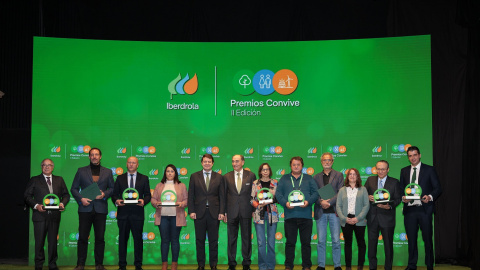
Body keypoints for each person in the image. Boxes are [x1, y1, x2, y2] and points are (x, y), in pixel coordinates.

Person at [71, 147, 114, 270]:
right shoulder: (81, 171)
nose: (94, 156)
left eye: (97, 154)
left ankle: (99, 264)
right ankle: (80, 264)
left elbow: (112, 188)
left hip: (101, 209)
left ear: (100, 156)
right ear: (89, 157)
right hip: (85, 209)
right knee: (83, 237)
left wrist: (104, 194)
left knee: (100, 238)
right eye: (92, 154)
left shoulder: (108, 172)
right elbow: (73, 188)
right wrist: (81, 199)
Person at [400, 146, 442, 270]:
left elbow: (438, 188)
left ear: (419, 155)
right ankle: (412, 265)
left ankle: (429, 265)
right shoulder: (404, 171)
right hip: (410, 210)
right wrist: (403, 198)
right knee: (411, 240)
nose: (413, 158)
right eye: (410, 156)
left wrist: (429, 196)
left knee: (428, 240)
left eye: (415, 155)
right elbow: (401, 188)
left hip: (425, 210)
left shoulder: (429, 170)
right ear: (408, 157)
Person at [24, 158, 70, 270]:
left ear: (53, 167)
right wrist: (36, 206)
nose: (47, 167)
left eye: (49, 165)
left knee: (53, 242)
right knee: (39, 242)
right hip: (39, 216)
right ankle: (38, 265)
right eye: (44, 165)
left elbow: (66, 195)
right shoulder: (34, 180)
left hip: (54, 217)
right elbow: (27, 196)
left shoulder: (59, 179)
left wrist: (62, 204)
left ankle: (52, 264)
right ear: (41, 167)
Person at [276, 156, 319, 270]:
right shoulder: (284, 178)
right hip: (290, 216)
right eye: (294, 164)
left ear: (302, 166)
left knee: (306, 243)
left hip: (306, 216)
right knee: (290, 243)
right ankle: (288, 265)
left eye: (298, 164)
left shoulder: (309, 178)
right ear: (290, 166)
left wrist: (308, 202)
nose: (296, 166)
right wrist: (285, 203)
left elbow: (315, 193)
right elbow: (278, 194)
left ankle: (306, 266)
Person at [111, 156, 151, 270]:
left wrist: (144, 200)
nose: (131, 164)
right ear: (126, 164)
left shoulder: (144, 178)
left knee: (138, 241)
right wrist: (116, 201)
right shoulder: (119, 178)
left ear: (137, 165)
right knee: (122, 240)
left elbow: (148, 195)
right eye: (129, 162)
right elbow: (114, 195)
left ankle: (138, 265)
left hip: (137, 214)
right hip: (123, 214)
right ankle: (122, 265)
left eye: (134, 163)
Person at [188, 154, 225, 270]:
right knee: (200, 240)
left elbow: (222, 197)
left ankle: (213, 264)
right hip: (199, 213)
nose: (207, 163)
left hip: (214, 213)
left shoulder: (219, 177)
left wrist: (222, 212)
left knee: (214, 240)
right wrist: (191, 211)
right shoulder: (194, 176)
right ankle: (201, 264)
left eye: (209, 162)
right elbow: (191, 196)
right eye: (205, 161)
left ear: (213, 163)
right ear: (201, 163)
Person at [364, 160, 402, 270]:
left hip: (387, 218)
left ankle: (388, 267)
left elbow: (398, 199)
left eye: (383, 169)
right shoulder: (370, 180)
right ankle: (372, 267)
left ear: (388, 170)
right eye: (378, 169)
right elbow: (363, 194)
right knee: (372, 246)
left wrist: (389, 206)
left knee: (388, 246)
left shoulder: (394, 182)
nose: (380, 171)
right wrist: (367, 197)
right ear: (376, 169)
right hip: (372, 218)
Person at [151, 164, 188, 270]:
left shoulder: (181, 185)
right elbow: (153, 199)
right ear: (165, 173)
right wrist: (156, 203)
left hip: (176, 216)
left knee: (175, 240)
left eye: (172, 171)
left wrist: (182, 203)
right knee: (164, 240)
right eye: (168, 171)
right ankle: (164, 265)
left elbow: (186, 200)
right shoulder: (159, 185)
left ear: (175, 173)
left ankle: (174, 265)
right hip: (162, 216)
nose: (170, 173)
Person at [224, 154, 256, 270]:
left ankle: (246, 263)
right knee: (231, 238)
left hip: (246, 211)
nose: (234, 163)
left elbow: (254, 195)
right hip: (231, 212)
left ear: (243, 162)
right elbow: (224, 196)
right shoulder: (226, 176)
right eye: (233, 161)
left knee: (246, 238)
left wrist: (253, 210)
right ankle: (231, 263)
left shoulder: (251, 175)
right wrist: (224, 212)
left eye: (237, 161)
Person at [313, 153, 344, 270]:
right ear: (321, 162)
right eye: (324, 160)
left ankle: (337, 265)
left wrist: (329, 202)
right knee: (321, 240)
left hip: (334, 212)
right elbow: (314, 194)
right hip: (320, 212)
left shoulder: (339, 175)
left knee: (336, 240)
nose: (327, 162)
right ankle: (321, 265)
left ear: (332, 161)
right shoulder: (315, 177)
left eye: (329, 160)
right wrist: (321, 202)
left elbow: (341, 192)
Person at [336, 168, 370, 270]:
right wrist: (344, 218)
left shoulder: (363, 189)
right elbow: (338, 206)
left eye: (354, 174)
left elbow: (366, 205)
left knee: (361, 243)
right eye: (350, 174)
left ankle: (360, 266)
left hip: (359, 220)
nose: (352, 176)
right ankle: (348, 267)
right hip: (346, 220)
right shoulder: (342, 190)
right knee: (348, 244)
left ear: (358, 176)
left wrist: (358, 218)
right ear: (347, 176)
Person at [250, 163, 279, 270]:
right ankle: (262, 266)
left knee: (271, 242)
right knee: (261, 242)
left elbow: (278, 198)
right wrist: (257, 204)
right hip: (259, 215)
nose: (265, 171)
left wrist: (267, 202)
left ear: (270, 171)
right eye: (263, 169)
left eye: (267, 169)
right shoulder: (255, 183)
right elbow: (252, 199)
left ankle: (271, 266)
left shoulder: (275, 183)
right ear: (260, 171)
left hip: (273, 215)